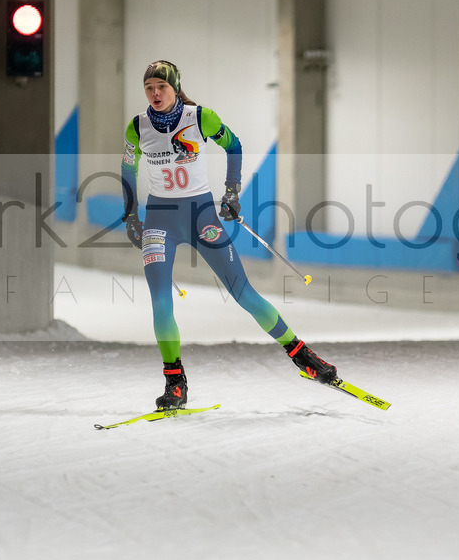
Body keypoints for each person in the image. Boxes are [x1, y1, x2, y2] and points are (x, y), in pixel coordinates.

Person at [121, 59, 337, 410]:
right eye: (149, 88)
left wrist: (232, 190)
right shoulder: (136, 127)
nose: (155, 93)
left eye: (161, 86)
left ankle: (302, 357)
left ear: (175, 88)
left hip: (200, 214)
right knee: (161, 301)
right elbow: (127, 169)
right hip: (159, 219)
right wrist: (131, 215)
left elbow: (233, 145)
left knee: (244, 293)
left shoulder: (200, 117)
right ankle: (175, 381)